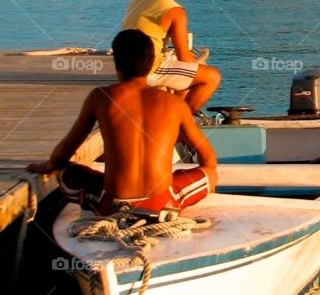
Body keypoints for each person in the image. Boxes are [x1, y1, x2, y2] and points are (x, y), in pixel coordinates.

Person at [27, 29, 218, 217]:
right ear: (152, 62)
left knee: (64, 171)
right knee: (210, 173)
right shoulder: (175, 104)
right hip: (161, 204)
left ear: (117, 64)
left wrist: (51, 165)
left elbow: (62, 155)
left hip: (111, 204)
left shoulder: (100, 97)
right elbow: (208, 160)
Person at [121, 0, 220, 115]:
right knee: (211, 77)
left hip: (124, 67)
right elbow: (184, 58)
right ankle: (180, 122)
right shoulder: (174, 10)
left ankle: (172, 113)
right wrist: (199, 64)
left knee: (185, 74)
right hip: (148, 69)